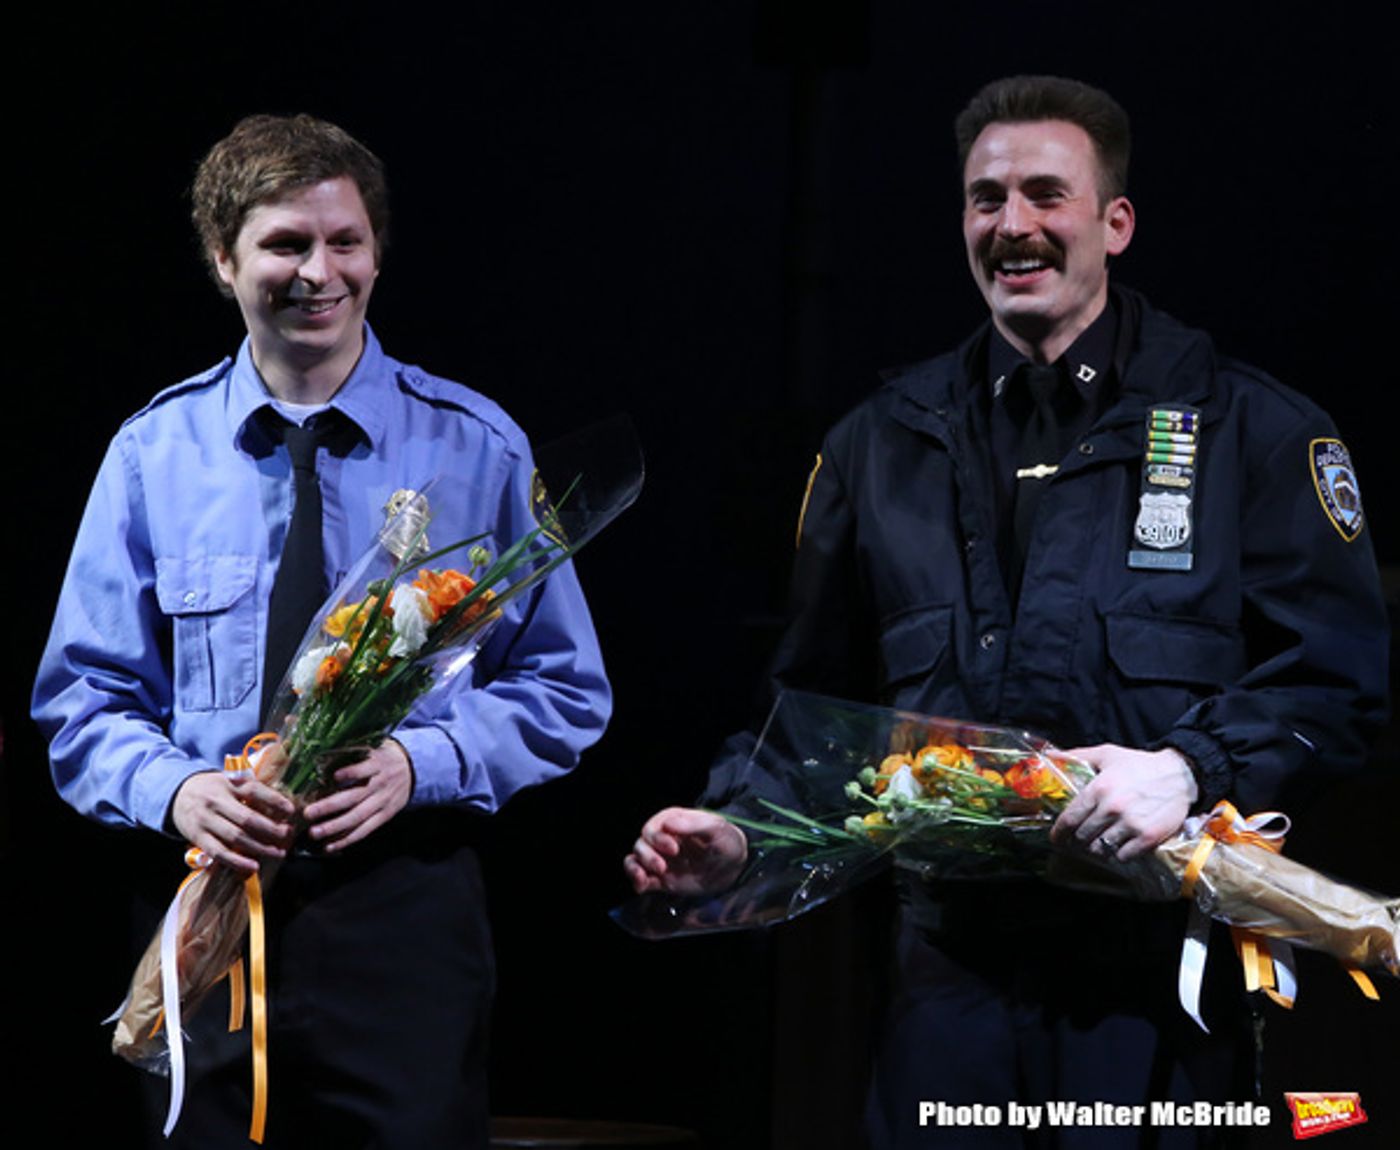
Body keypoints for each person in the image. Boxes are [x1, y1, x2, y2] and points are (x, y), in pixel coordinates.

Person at [625, 76, 1388, 1147]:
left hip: (1154, 991)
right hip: (948, 983)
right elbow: (811, 702)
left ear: (1113, 222)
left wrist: (1187, 768)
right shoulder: (876, 445)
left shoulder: (1246, 430)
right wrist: (737, 832)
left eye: (1044, 194)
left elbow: (1339, 679)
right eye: (986, 199)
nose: (1012, 226)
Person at [33, 113, 611, 1149]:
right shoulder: (151, 455)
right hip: (206, 914)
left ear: (377, 252)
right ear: (223, 259)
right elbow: (80, 700)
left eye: (343, 241)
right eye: (284, 244)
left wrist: (420, 760)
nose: (318, 271)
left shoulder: (473, 447)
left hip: (403, 915)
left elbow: (565, 689)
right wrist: (178, 789)